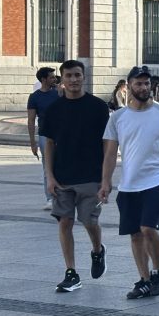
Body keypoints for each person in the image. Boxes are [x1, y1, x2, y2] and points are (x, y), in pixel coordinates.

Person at [99, 65, 159, 299]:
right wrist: (105, 182)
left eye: (147, 83)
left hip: (156, 180)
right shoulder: (118, 118)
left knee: (148, 228)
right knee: (135, 234)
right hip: (128, 185)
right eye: (139, 83)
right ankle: (144, 279)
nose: (144, 87)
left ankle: (157, 270)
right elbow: (109, 154)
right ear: (129, 86)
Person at [39, 60, 110, 292]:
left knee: (89, 221)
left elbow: (108, 145)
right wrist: (49, 176)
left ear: (84, 77)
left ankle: (98, 250)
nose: (74, 80)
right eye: (69, 76)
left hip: (90, 175)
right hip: (62, 177)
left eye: (77, 75)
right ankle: (71, 271)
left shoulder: (98, 107)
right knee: (65, 222)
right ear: (62, 79)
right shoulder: (53, 110)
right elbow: (49, 144)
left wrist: (105, 178)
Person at [28, 67, 61, 210]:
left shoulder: (59, 94)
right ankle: (50, 198)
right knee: (47, 166)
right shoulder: (34, 97)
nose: (55, 79)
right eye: (52, 77)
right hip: (44, 135)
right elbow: (30, 121)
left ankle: (62, 196)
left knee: (61, 165)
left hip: (60, 134)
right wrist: (32, 143)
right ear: (44, 79)